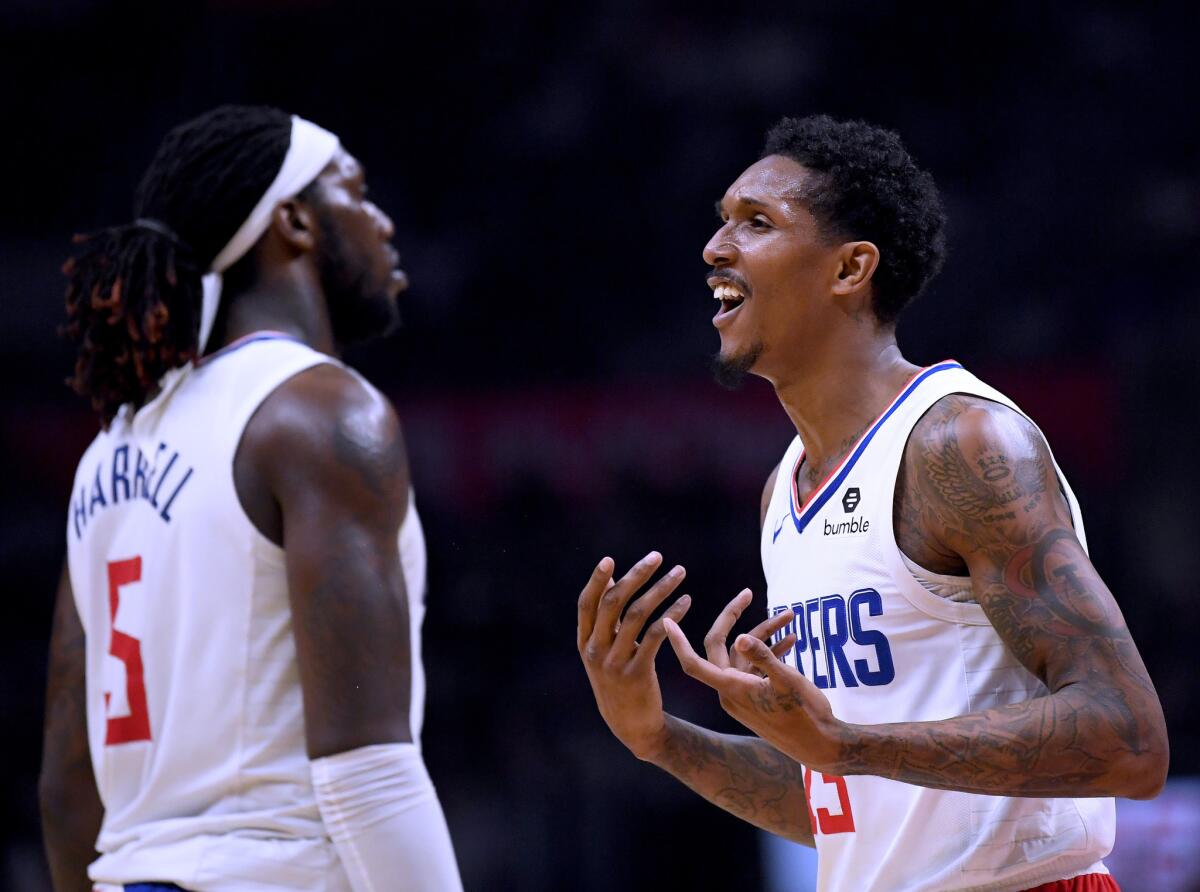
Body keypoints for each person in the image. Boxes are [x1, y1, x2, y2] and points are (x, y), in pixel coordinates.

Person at [577, 115, 1168, 891]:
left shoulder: (961, 443)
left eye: (756, 223)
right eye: (721, 222)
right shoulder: (784, 490)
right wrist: (657, 737)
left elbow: (1129, 740)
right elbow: (858, 810)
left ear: (851, 268)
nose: (714, 248)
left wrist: (848, 746)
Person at [39, 105, 463, 892]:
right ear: (294, 222)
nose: (382, 222)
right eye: (358, 193)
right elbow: (366, 770)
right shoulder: (320, 411)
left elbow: (68, 793)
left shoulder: (107, 453)